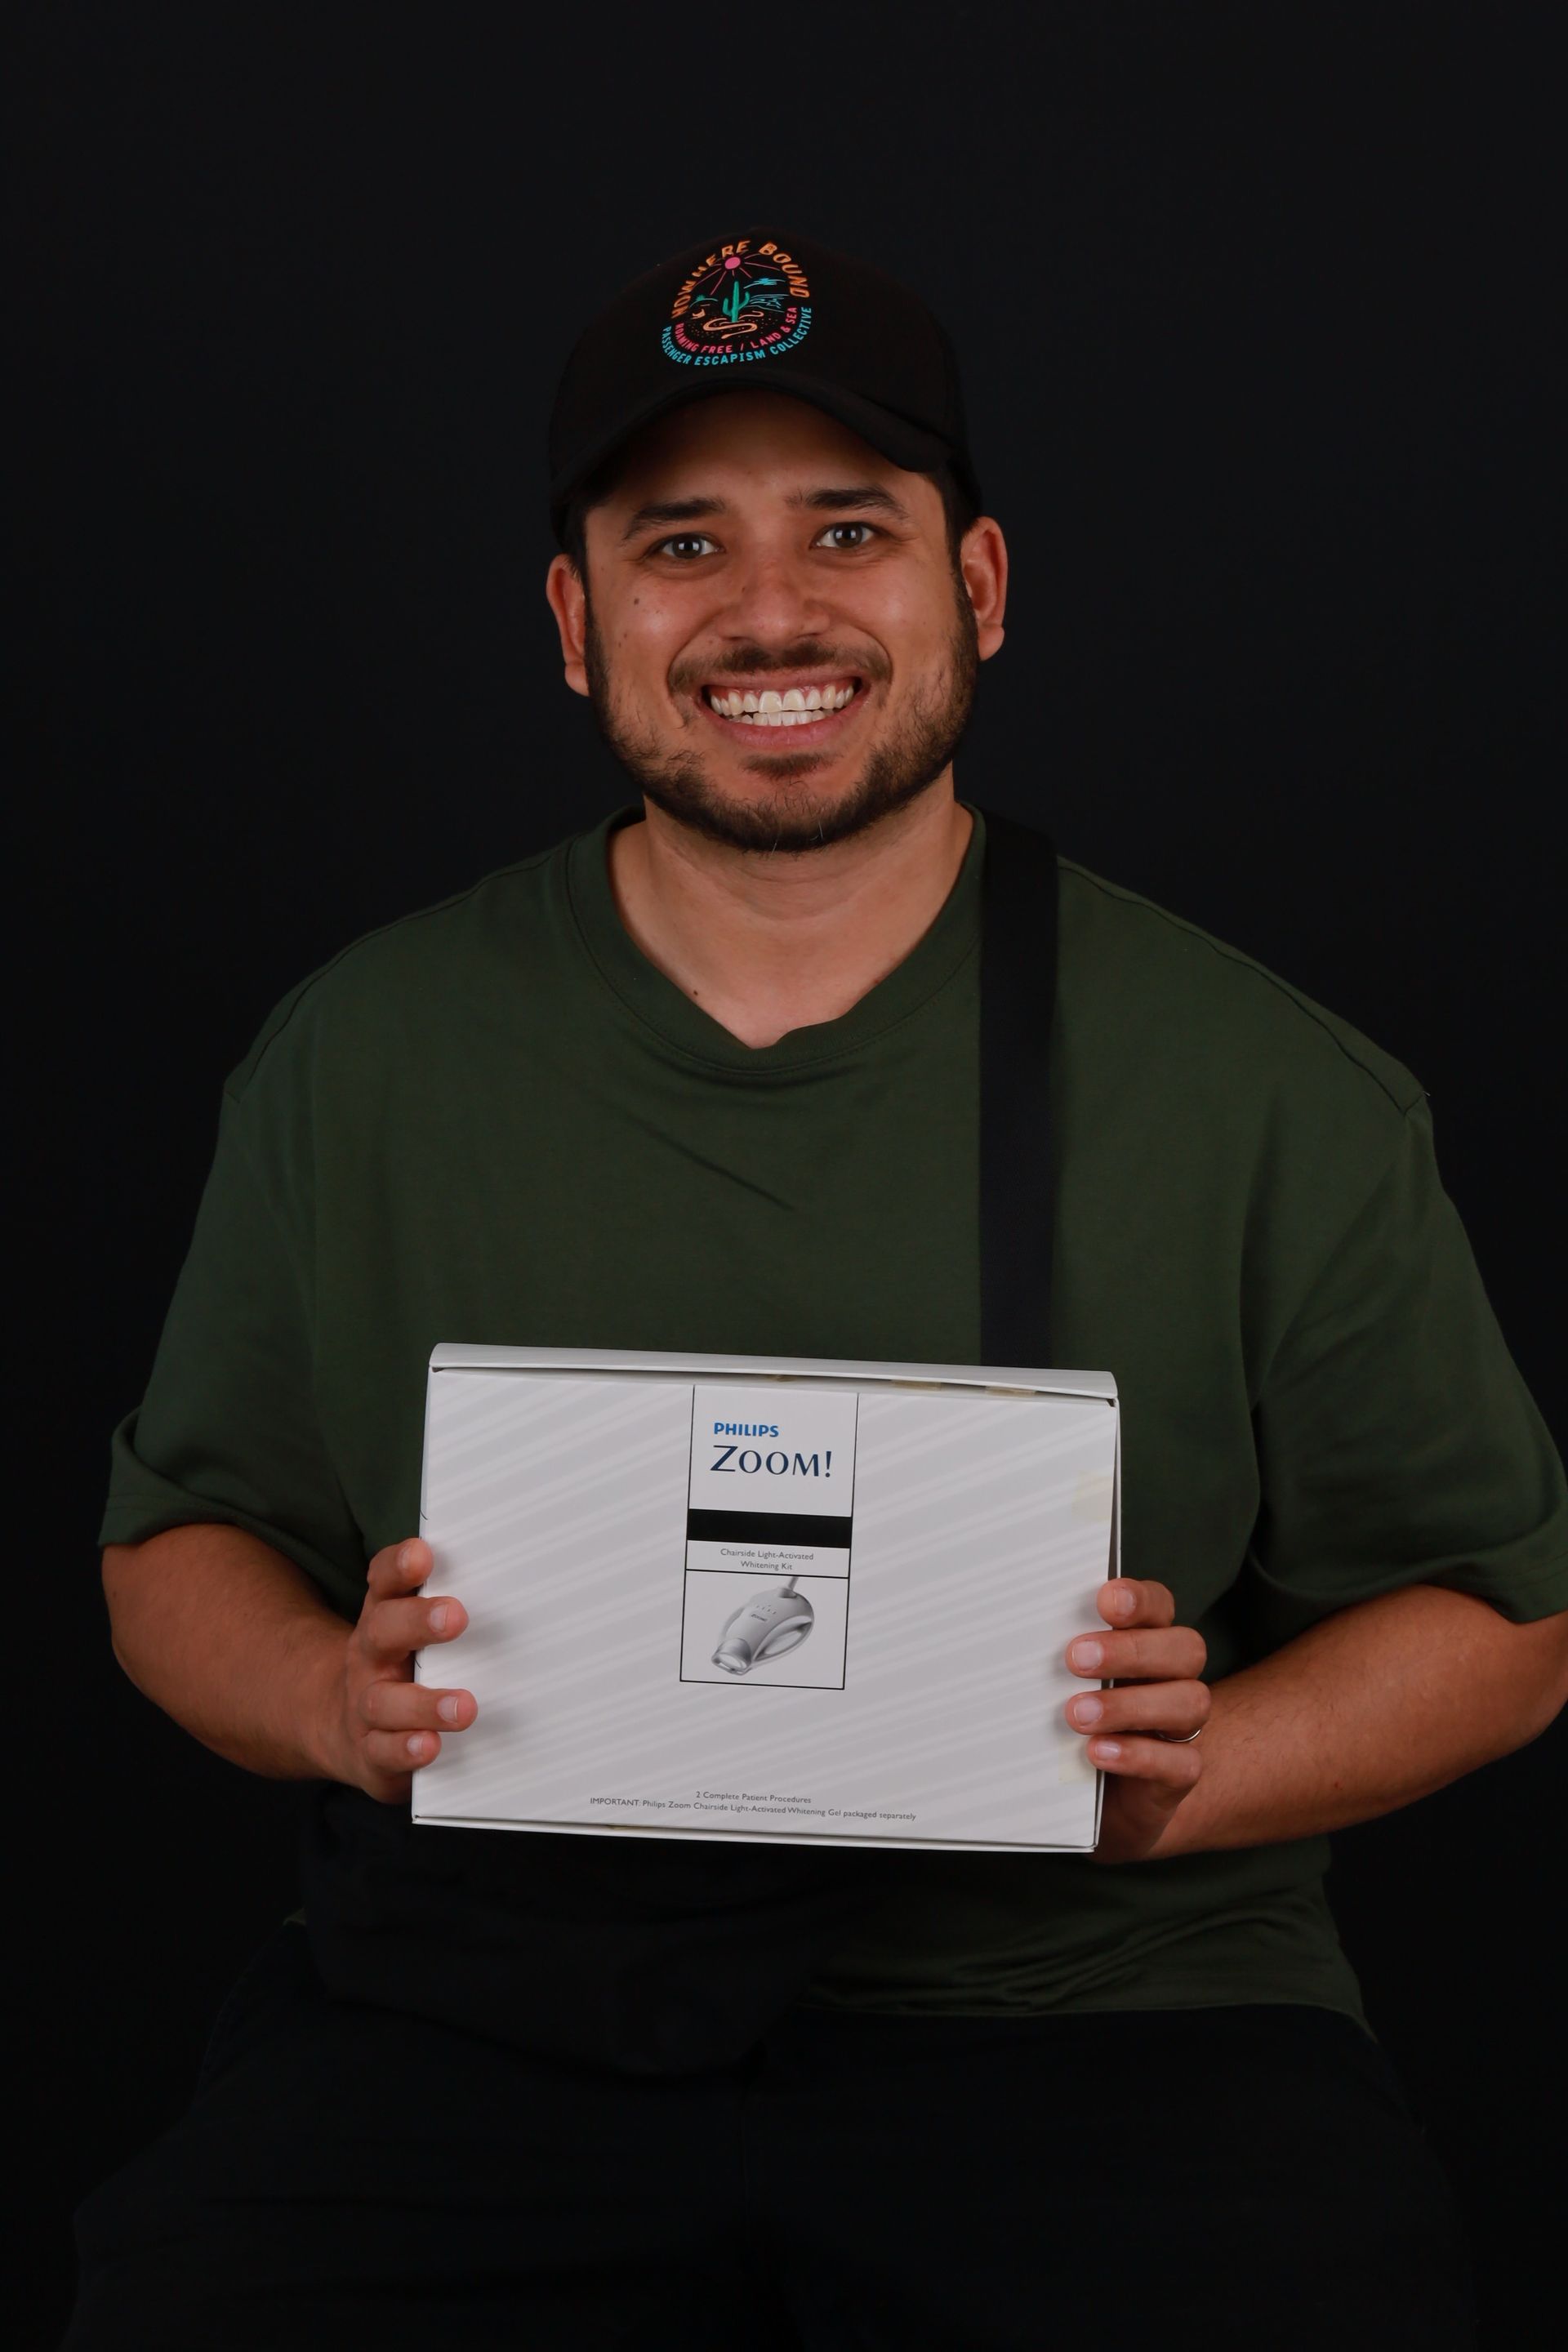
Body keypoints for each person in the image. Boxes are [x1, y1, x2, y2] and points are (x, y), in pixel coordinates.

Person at [66, 229, 1567, 2350]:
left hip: (1102, 2026)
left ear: (981, 588)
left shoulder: (1264, 1085)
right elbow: (175, 1547)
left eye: (848, 528)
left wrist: (1199, 1766)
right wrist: (333, 1699)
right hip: (490, 2019)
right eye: (683, 542)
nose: (771, 612)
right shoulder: (364, 1054)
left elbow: (1508, 1620)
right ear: (579, 622)